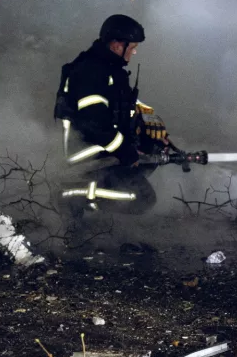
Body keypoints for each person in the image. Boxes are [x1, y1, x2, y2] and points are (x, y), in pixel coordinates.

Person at [55, 14, 171, 214]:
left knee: (152, 147)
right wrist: (126, 151)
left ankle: (102, 198)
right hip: (84, 156)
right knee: (141, 198)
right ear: (117, 44)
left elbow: (117, 107)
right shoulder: (90, 71)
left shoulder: (110, 69)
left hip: (104, 149)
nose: (133, 53)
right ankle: (73, 196)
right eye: (132, 47)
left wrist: (148, 127)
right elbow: (93, 124)